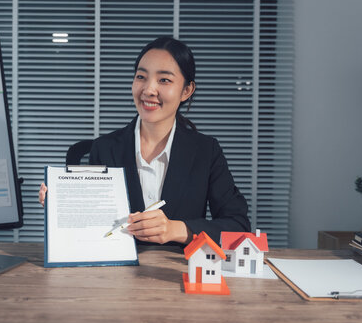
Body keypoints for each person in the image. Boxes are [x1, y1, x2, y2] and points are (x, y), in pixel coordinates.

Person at [40, 36, 250, 245]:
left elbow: (238, 226)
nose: (148, 90)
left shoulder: (206, 151)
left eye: (164, 80)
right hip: (115, 273)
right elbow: (92, 223)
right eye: (141, 77)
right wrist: (61, 203)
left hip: (175, 273)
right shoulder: (104, 148)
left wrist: (177, 229)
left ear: (186, 91)